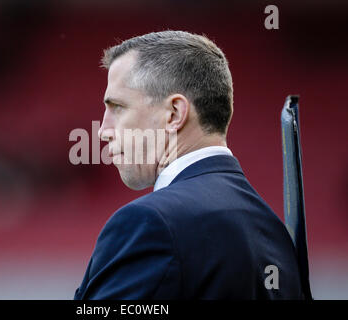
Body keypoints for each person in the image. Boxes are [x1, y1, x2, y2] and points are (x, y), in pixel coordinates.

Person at [74, 31, 304, 299]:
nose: (103, 131)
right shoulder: (274, 230)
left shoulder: (151, 223)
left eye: (118, 107)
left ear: (174, 114)